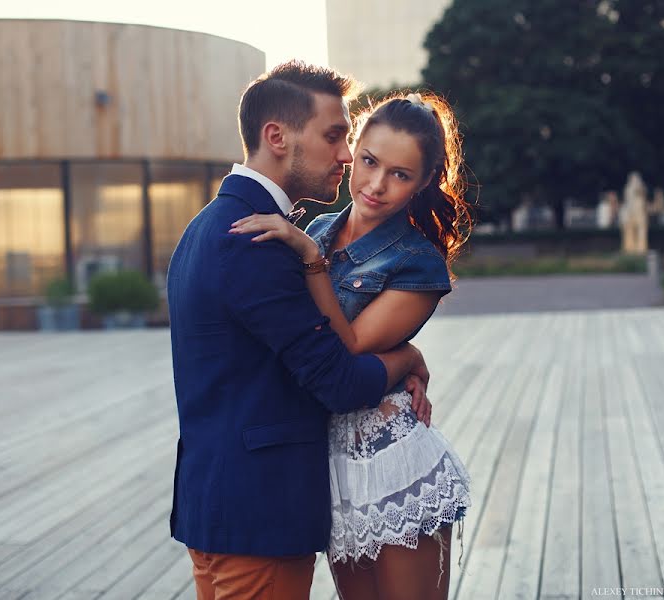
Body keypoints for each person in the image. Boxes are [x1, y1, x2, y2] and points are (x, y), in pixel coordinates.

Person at [166, 61, 434, 600]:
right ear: (277, 137)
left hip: (218, 507)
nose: (344, 154)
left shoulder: (207, 225)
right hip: (257, 518)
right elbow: (336, 380)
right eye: (335, 136)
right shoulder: (260, 241)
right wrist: (406, 359)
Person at [229, 91, 474, 599]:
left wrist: (308, 259)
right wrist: (409, 357)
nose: (377, 185)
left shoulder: (417, 262)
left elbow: (351, 346)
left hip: (392, 459)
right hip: (329, 464)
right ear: (354, 148)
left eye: (401, 175)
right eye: (369, 161)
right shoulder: (318, 228)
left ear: (425, 182)